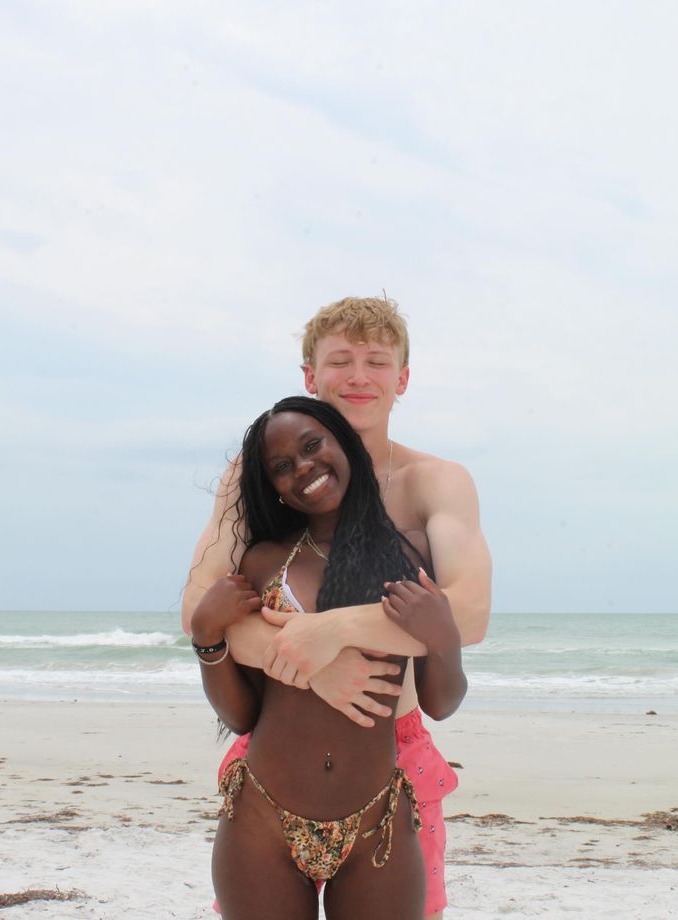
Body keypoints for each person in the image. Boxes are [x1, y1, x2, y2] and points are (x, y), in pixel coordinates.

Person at [184, 296, 491, 919]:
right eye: (340, 361)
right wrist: (300, 660)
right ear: (309, 377)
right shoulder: (265, 474)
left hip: (395, 752)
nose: (358, 376)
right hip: (277, 757)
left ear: (401, 378)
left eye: (377, 361)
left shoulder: (433, 481)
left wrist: (335, 630)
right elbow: (201, 601)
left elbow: (471, 614)